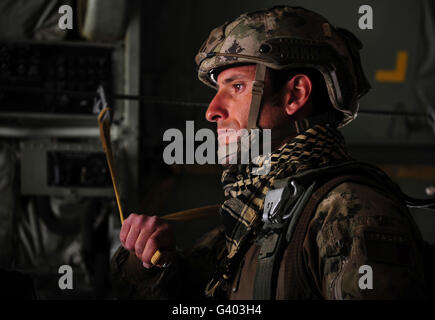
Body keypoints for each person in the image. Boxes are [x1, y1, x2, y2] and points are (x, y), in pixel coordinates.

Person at [110, 5, 432, 299]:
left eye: (236, 87)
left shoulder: (350, 213)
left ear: (295, 94)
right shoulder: (259, 212)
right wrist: (148, 260)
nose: (212, 111)